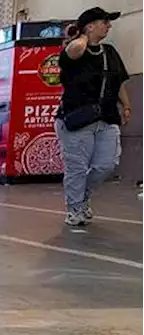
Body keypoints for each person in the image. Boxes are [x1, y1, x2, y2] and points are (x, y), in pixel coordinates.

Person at [56, 7, 130, 227]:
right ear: (90, 26)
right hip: (77, 118)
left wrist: (126, 105)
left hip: (107, 117)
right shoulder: (74, 50)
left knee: (107, 163)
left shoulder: (111, 52)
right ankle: (75, 209)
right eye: (104, 22)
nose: (109, 26)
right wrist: (81, 36)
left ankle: (83, 195)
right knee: (76, 167)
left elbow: (119, 82)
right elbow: (75, 51)